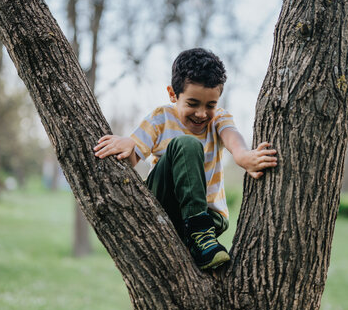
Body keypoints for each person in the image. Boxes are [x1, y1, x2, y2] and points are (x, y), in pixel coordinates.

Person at [94, 48, 277, 270]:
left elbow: (232, 137)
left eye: (210, 105)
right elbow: (131, 158)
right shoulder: (161, 117)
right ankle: (198, 237)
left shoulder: (218, 118)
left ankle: (199, 236)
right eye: (192, 103)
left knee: (192, 144)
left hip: (211, 218)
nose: (202, 113)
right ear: (173, 94)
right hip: (165, 207)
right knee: (186, 144)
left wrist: (244, 156)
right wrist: (127, 143)